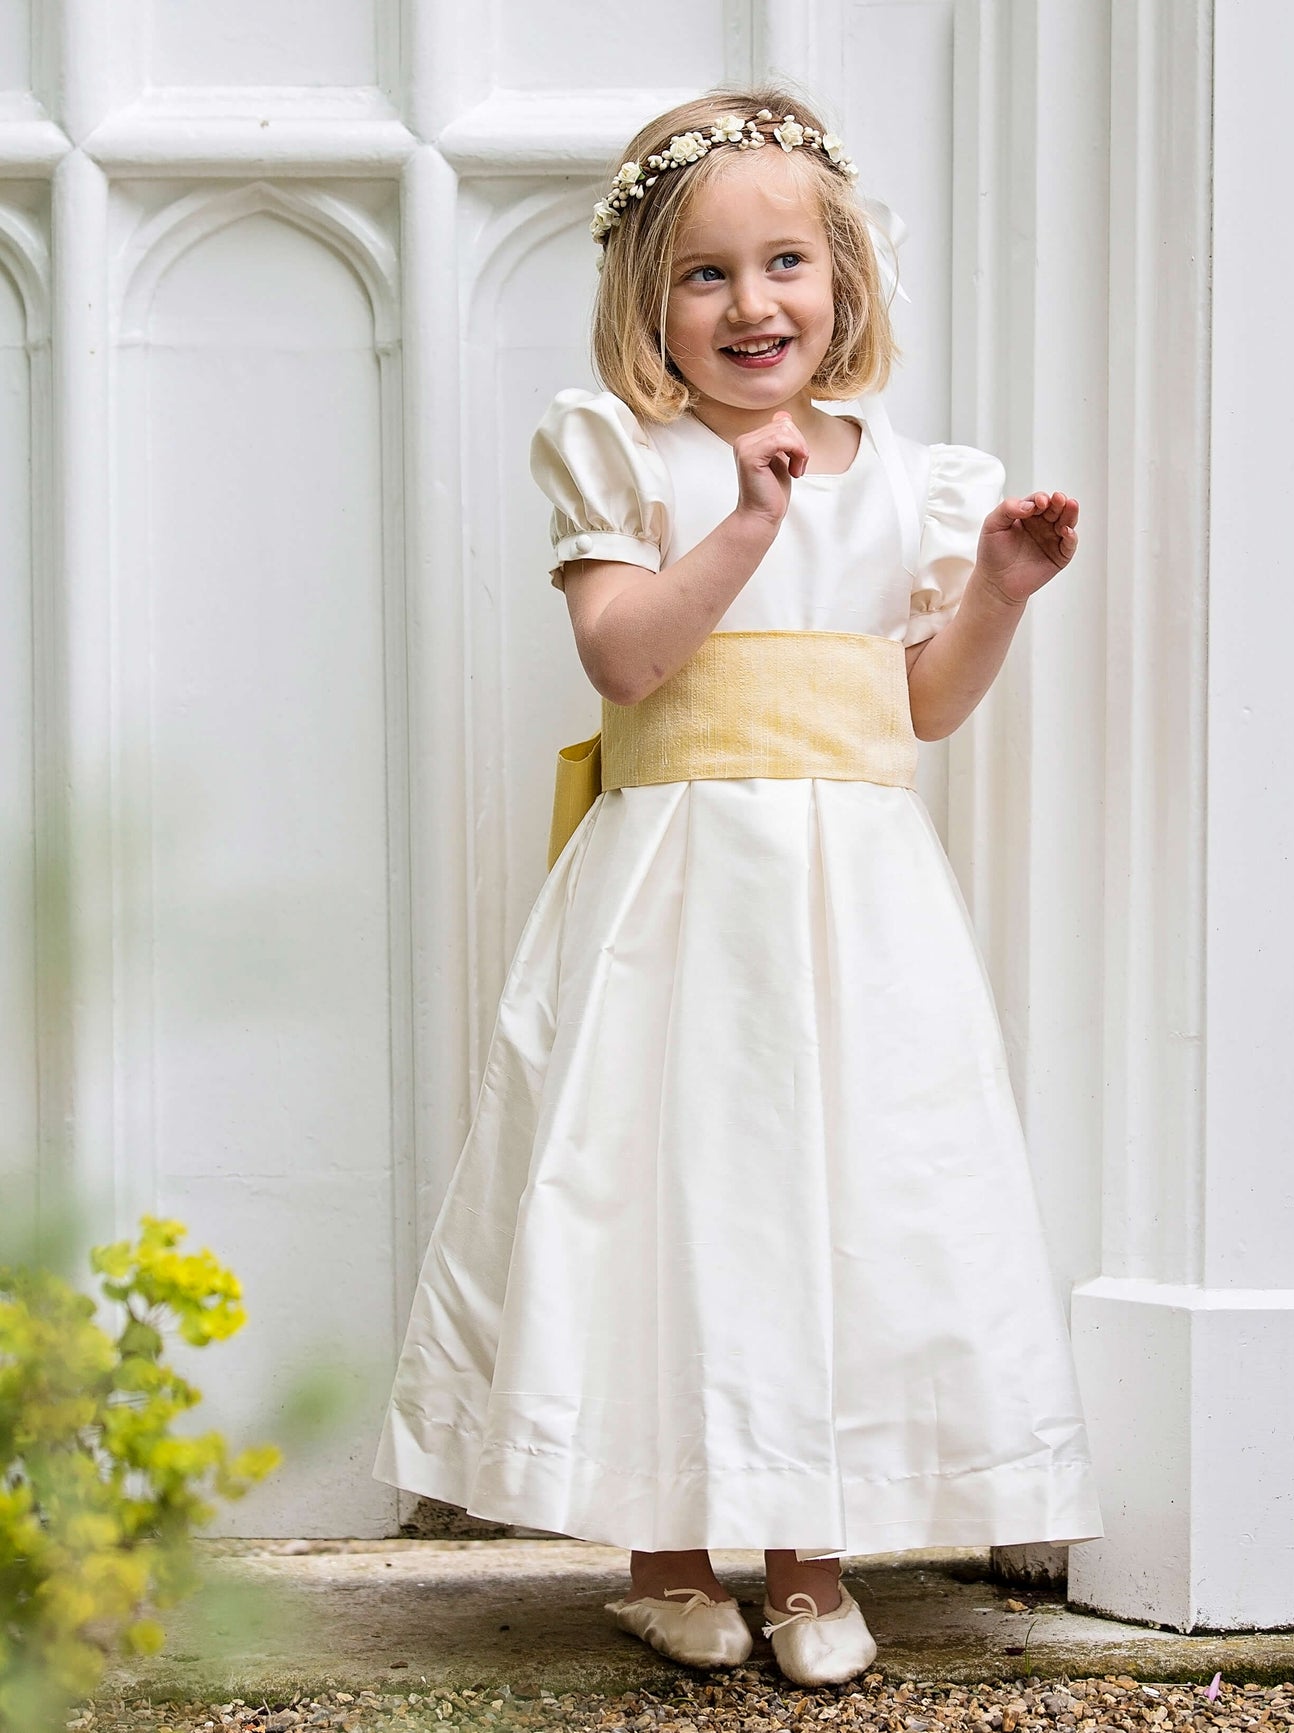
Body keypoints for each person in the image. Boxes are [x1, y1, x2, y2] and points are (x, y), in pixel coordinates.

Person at [372, 82, 1103, 1686]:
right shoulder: (620, 450)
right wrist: (751, 520)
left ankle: (809, 1553)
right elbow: (627, 656)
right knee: (665, 1191)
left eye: (784, 265)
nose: (750, 303)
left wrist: (993, 590)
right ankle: (664, 1554)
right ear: (647, 301)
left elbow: (918, 703)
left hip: (851, 905)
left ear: (842, 277)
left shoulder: (909, 472)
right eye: (703, 275)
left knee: (836, 1194)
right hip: (677, 895)